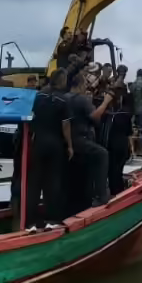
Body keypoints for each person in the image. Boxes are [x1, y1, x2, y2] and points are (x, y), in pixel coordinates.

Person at [25, 68, 74, 227]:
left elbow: (30, 117)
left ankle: (30, 219)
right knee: (52, 181)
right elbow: (65, 125)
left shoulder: (37, 96)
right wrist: (70, 145)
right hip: (55, 144)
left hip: (38, 141)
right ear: (60, 80)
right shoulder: (63, 100)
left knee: (34, 181)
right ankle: (51, 218)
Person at [67, 73, 115, 208]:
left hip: (68, 139)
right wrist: (106, 102)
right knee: (102, 154)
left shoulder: (65, 97)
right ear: (81, 85)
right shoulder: (81, 100)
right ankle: (101, 195)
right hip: (80, 139)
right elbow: (95, 116)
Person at [106, 67, 134, 197]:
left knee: (113, 171)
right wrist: (131, 147)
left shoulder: (110, 113)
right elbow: (129, 132)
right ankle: (118, 192)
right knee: (117, 170)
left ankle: (114, 192)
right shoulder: (125, 113)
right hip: (121, 144)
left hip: (112, 144)